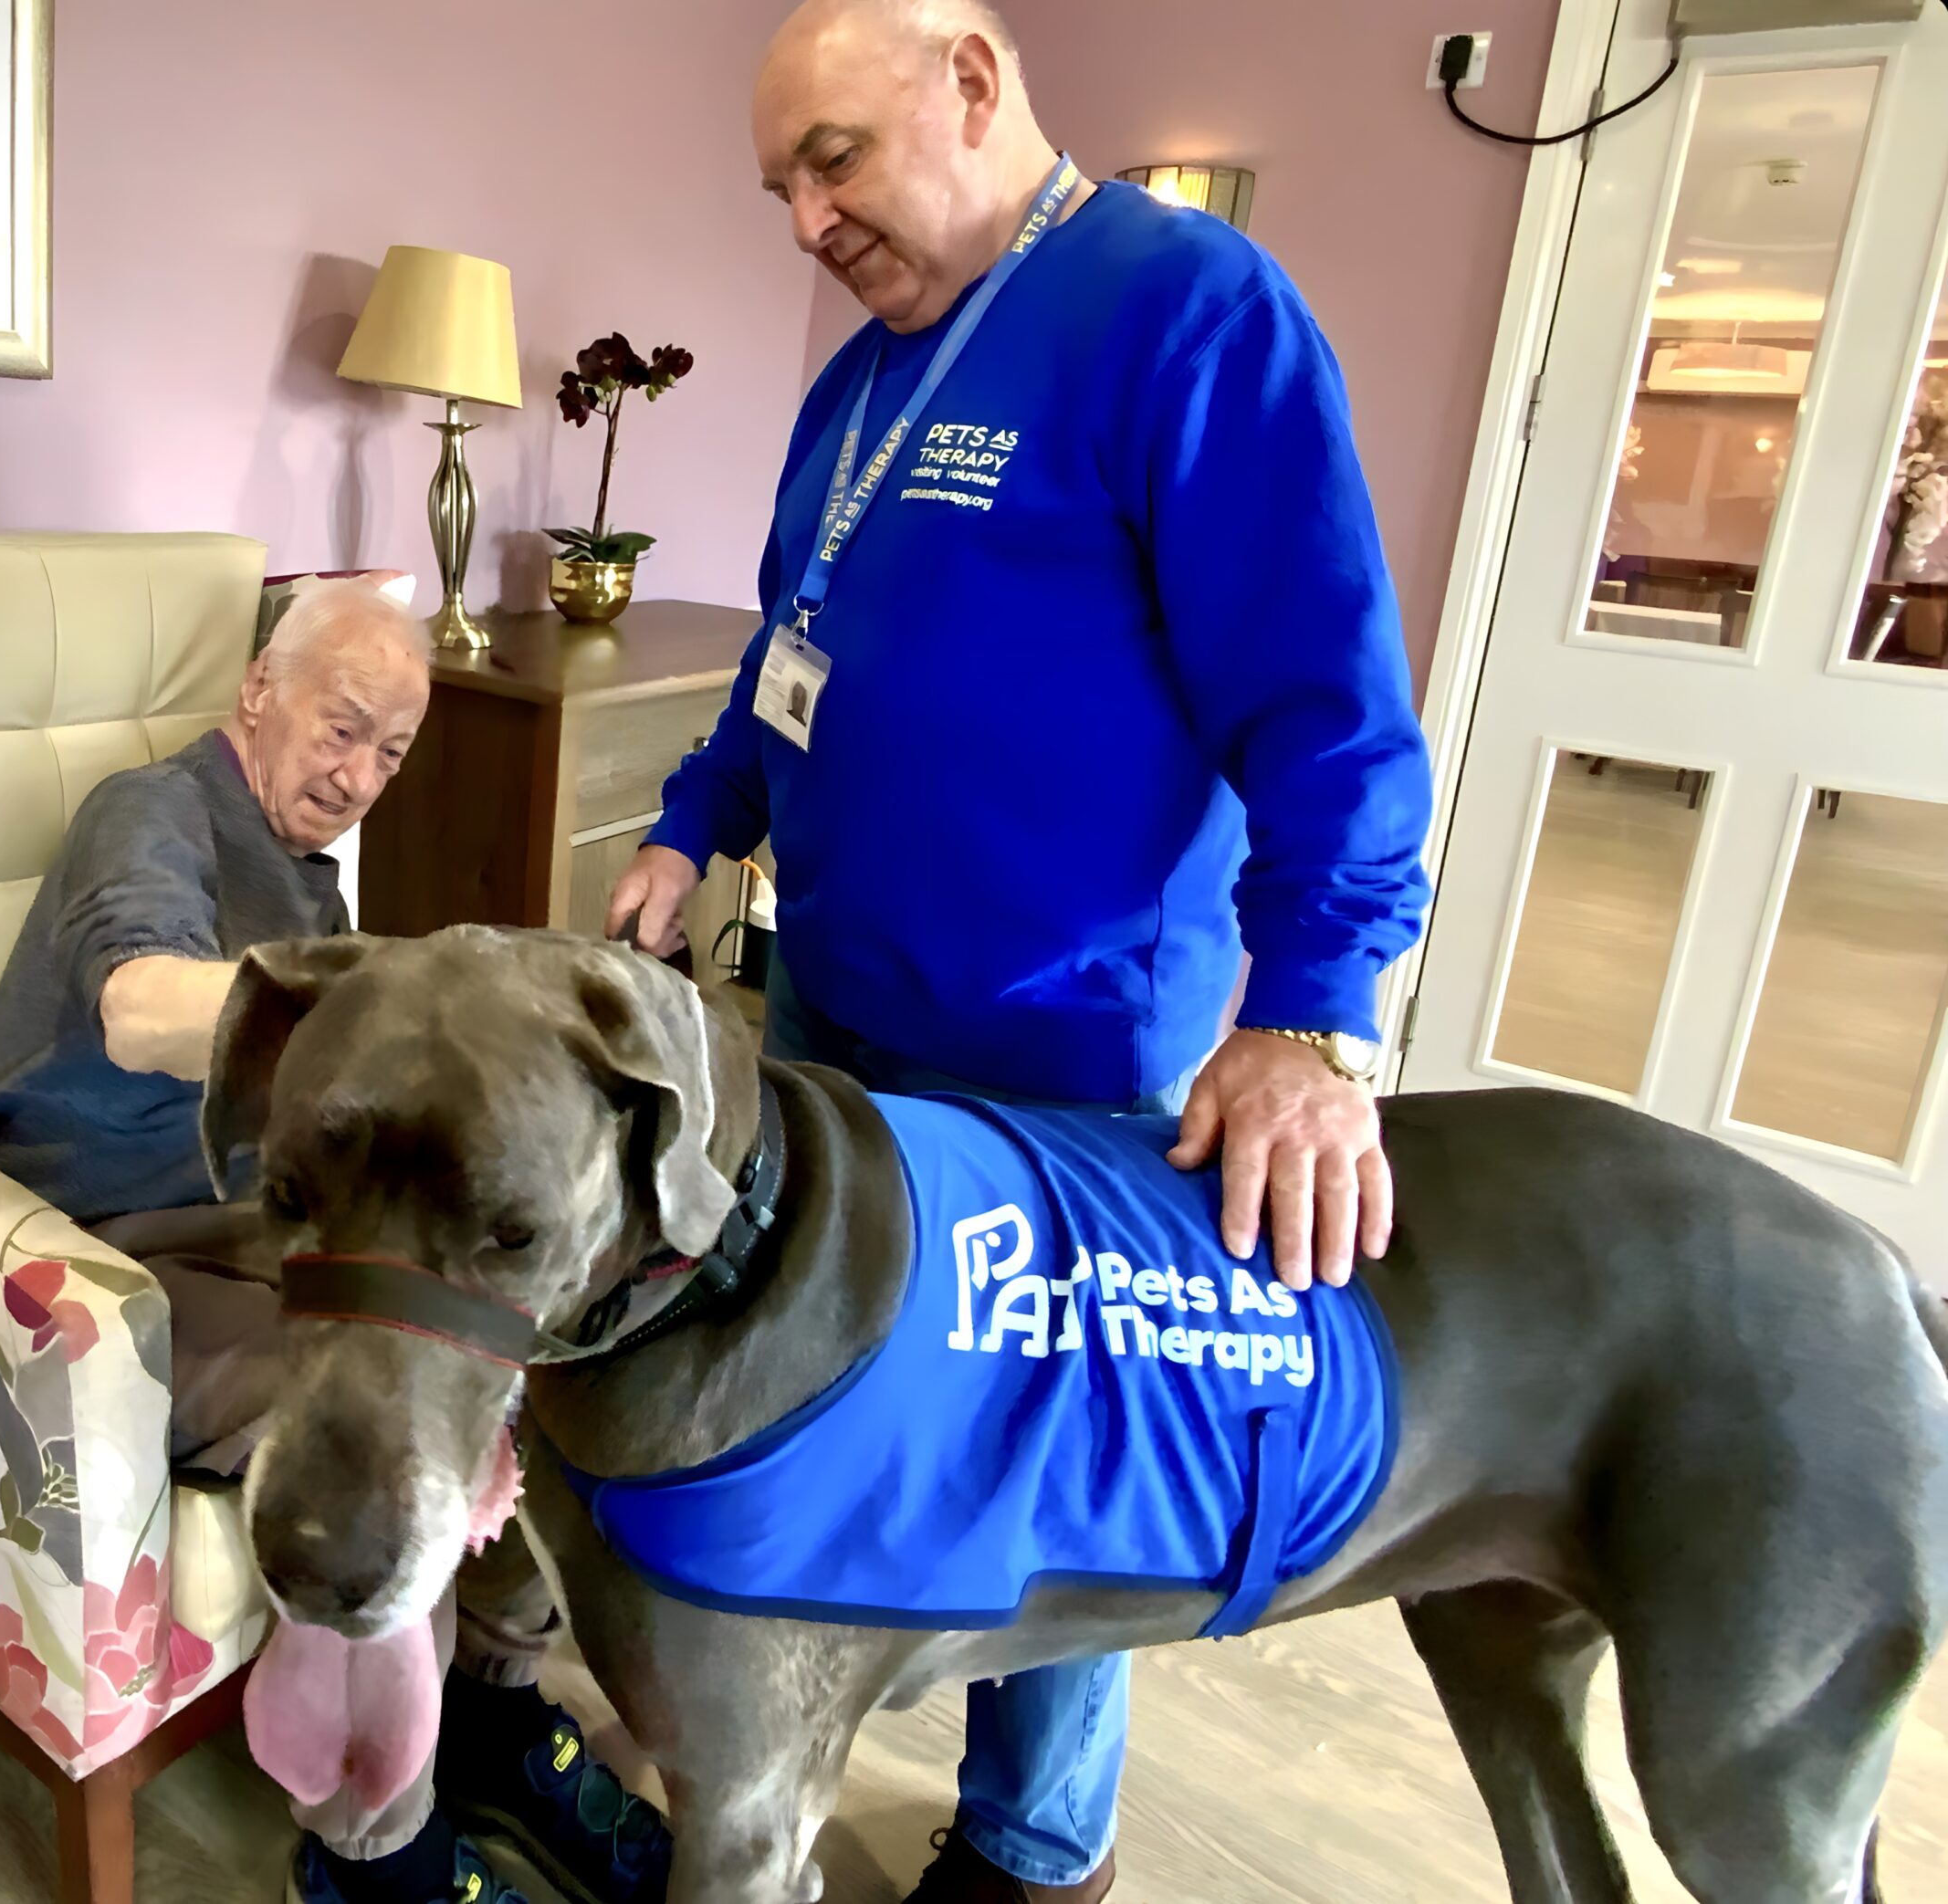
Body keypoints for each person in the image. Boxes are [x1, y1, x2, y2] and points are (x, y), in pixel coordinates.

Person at [603, 2, 1435, 1898]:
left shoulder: (1189, 310)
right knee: (837, 1388)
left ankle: (1034, 1848)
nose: (806, 221)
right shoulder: (857, 378)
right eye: (778, 186)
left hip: (1059, 1047)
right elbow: (792, 645)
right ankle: (800, 1706)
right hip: (833, 1007)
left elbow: (1330, 707)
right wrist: (693, 814)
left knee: (1054, 1463)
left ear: (971, 81)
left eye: (833, 160)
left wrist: (1314, 1014)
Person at [0, 579, 671, 1904]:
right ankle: (375, 1852)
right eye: (342, 729)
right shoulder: (151, 809)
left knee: (536, 1363)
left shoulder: (311, 892)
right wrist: (391, 1003)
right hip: (95, 1247)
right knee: (395, 1435)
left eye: (390, 753)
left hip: (268, 1228)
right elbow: (136, 1008)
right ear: (257, 693)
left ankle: (492, 1710)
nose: (359, 777)